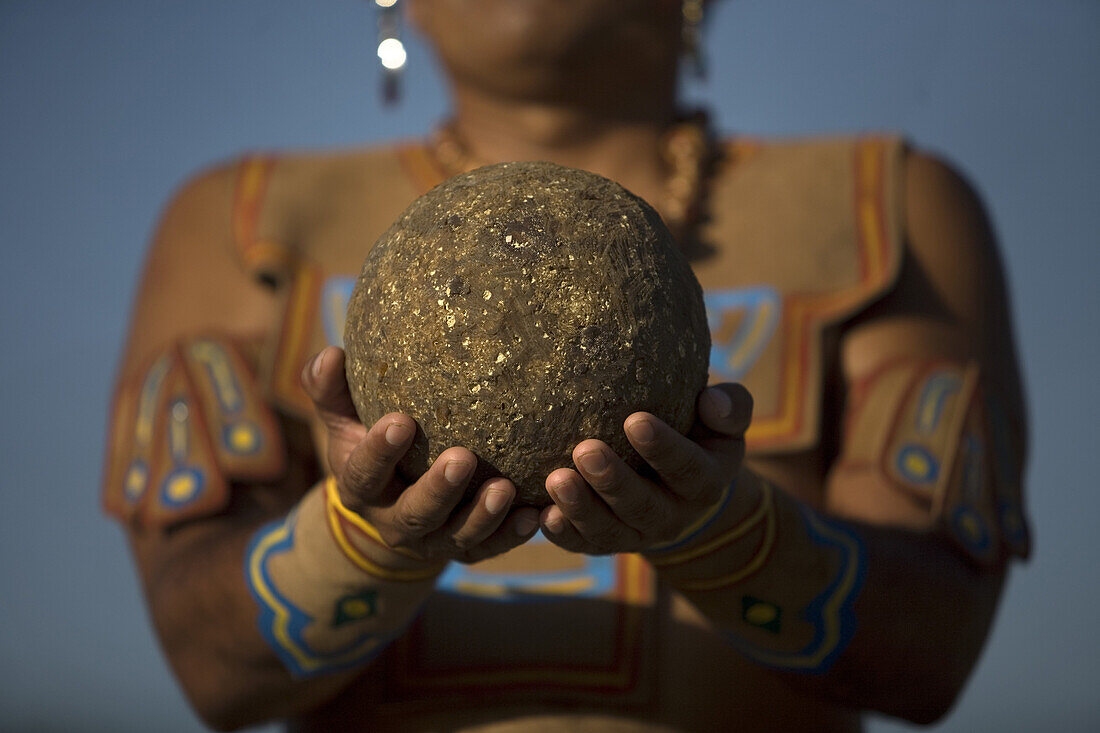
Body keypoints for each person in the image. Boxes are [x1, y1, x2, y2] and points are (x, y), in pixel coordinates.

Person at [102, 1, 1030, 730]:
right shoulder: (243, 224)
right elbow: (212, 671)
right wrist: (366, 536)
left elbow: (929, 656)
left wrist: (719, 530)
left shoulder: (888, 209)